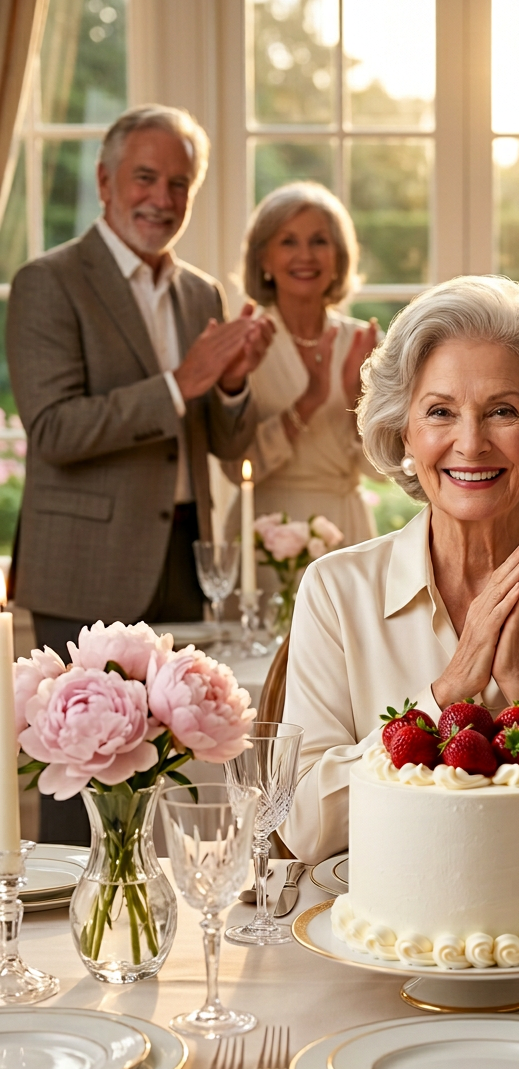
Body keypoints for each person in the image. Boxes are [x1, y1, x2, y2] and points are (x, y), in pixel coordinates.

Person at [278, 276, 519, 866]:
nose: (470, 443)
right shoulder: (336, 591)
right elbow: (303, 828)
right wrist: (446, 693)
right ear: (404, 432)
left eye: (503, 412)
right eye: (440, 411)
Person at [7, 103, 272, 843]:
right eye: (146, 177)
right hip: (85, 571)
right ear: (103, 180)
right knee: (77, 785)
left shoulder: (200, 294)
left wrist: (229, 384)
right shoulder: (48, 282)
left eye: (180, 183)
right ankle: (70, 950)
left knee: (178, 774)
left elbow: (225, 442)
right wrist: (181, 381)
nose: (163, 198)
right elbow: (54, 429)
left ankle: (168, 938)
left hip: (185, 559)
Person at [223, 183, 380, 572]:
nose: (305, 255)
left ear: (339, 258)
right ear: (264, 258)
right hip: (262, 531)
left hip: (345, 531)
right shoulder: (244, 343)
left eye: (319, 241)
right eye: (288, 241)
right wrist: (307, 403)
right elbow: (234, 467)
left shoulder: (363, 342)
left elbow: (387, 469)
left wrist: (356, 402)